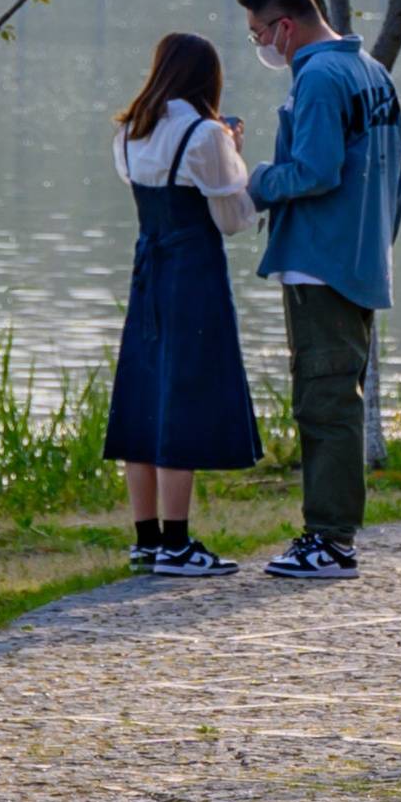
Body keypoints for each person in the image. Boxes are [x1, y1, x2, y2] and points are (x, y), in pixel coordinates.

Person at [236, 0, 401, 578]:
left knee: (325, 398)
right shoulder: (372, 71)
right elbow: (400, 174)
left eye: (259, 32)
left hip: (320, 263)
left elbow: (314, 170)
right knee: (336, 392)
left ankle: (330, 540)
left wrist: (255, 182)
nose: (260, 44)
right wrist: (375, 244)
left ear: (285, 27)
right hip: (361, 258)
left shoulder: (318, 79)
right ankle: (329, 534)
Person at [98, 30, 258, 577]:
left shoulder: (129, 131)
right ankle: (178, 543)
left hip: (148, 268)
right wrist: (234, 154)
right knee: (182, 400)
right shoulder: (205, 133)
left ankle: (146, 538)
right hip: (193, 274)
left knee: (143, 395)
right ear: (206, 78)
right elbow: (232, 220)